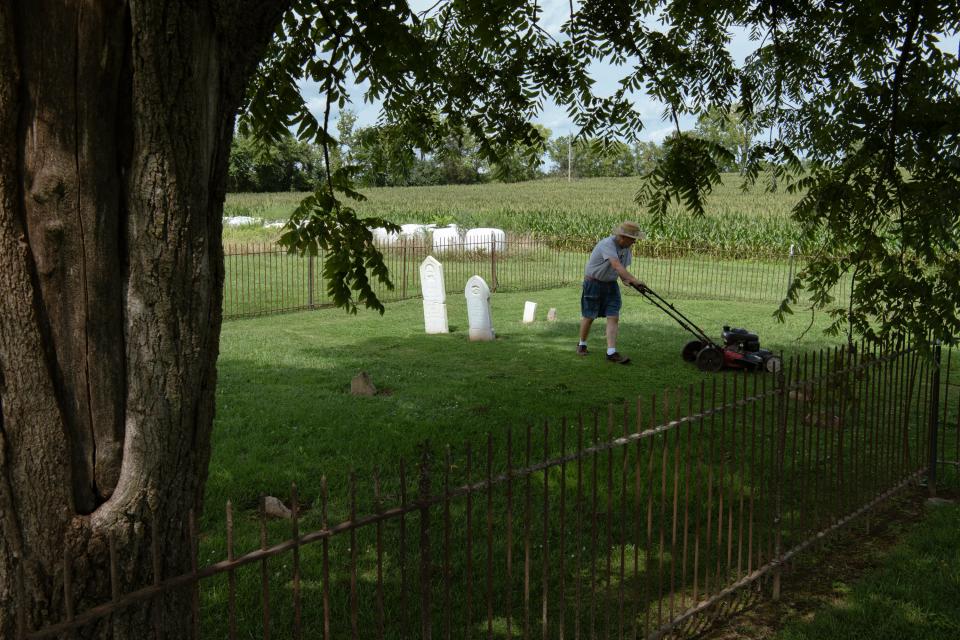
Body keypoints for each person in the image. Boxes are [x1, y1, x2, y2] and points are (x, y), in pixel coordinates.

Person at [577, 221, 646, 364]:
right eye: (632, 239)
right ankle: (582, 344)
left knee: (613, 316)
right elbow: (615, 264)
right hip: (594, 283)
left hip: (611, 285)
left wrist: (630, 282)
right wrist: (635, 279)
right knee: (589, 316)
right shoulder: (607, 244)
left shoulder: (626, 249)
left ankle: (611, 352)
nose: (634, 242)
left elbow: (621, 271)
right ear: (623, 237)